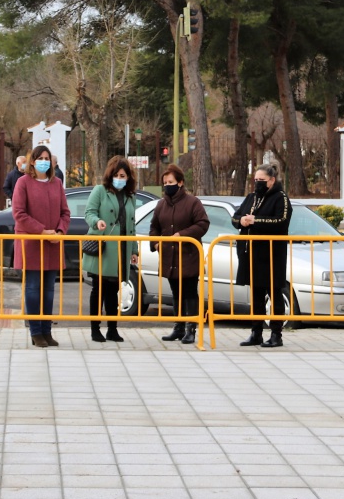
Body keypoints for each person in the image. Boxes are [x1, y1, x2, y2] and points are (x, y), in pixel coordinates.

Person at [12, 145, 70, 347]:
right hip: (32, 244)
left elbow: (65, 212)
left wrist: (60, 232)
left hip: (53, 244)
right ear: (33, 161)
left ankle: (47, 331)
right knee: (33, 288)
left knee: (49, 290)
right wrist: (42, 231)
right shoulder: (23, 183)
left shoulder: (56, 184)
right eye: (40, 158)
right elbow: (19, 213)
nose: (44, 161)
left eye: (47, 158)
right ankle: (35, 331)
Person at [232, 165, 294, 348]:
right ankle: (256, 332)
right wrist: (242, 220)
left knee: (274, 293)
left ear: (272, 180)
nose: (257, 183)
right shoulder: (251, 197)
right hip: (250, 252)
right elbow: (236, 217)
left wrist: (255, 221)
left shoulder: (280, 198)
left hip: (272, 254)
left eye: (261, 180)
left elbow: (281, 221)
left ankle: (276, 334)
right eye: (256, 180)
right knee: (256, 294)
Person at [148, 165, 209, 344]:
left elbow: (203, 224)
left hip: (188, 256)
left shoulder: (193, 202)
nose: (168, 185)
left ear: (180, 183)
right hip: (169, 257)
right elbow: (154, 227)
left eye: (171, 182)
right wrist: (155, 242)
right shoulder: (161, 204)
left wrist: (182, 235)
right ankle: (178, 327)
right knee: (175, 293)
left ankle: (191, 328)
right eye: (165, 183)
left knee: (189, 292)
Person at [83, 156, 139, 343]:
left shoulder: (131, 196)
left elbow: (132, 225)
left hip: (121, 249)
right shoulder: (100, 191)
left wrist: (134, 250)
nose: (120, 178)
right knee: (98, 288)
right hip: (104, 247)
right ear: (110, 174)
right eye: (116, 175)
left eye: (123, 175)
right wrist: (96, 221)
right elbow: (89, 212)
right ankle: (95, 328)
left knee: (114, 290)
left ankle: (112, 329)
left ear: (128, 177)